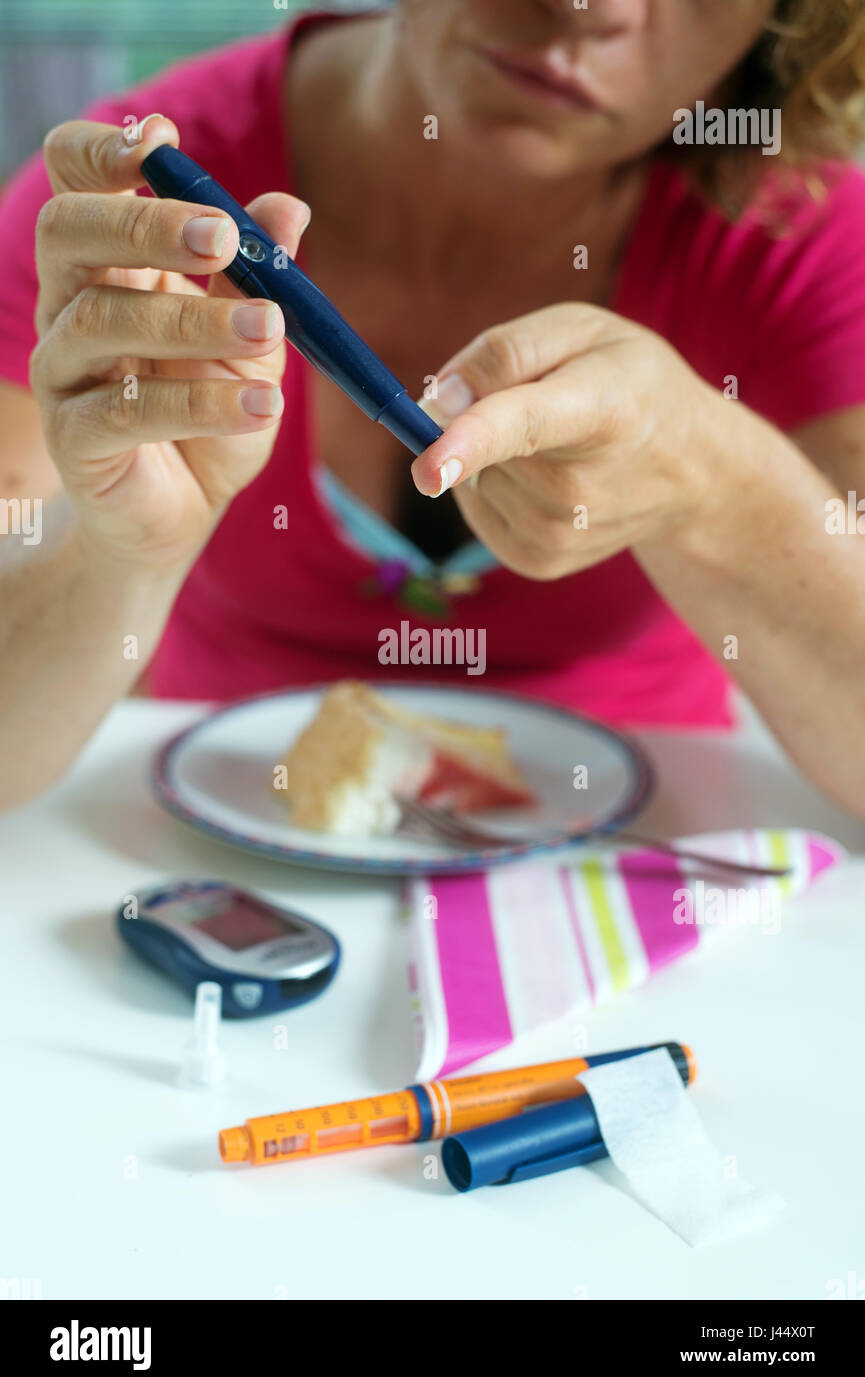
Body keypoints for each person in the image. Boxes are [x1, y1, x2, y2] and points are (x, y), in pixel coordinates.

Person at [1, 1, 865, 815]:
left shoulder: (803, 230)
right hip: (226, 843)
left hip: (638, 869)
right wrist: (114, 549)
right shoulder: (122, 218)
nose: (585, 8)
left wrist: (710, 480)